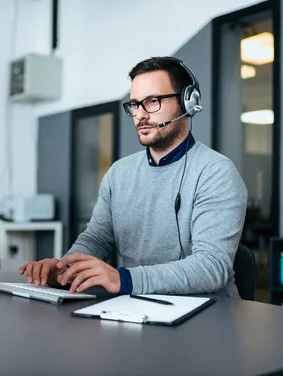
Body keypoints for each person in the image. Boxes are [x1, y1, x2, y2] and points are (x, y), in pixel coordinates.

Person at [19, 56, 247, 298]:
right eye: (135, 104)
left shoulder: (216, 172)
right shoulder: (119, 173)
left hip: (207, 318)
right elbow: (97, 239)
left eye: (152, 101)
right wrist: (63, 271)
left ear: (187, 102)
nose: (140, 114)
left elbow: (212, 267)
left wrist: (123, 279)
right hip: (136, 308)